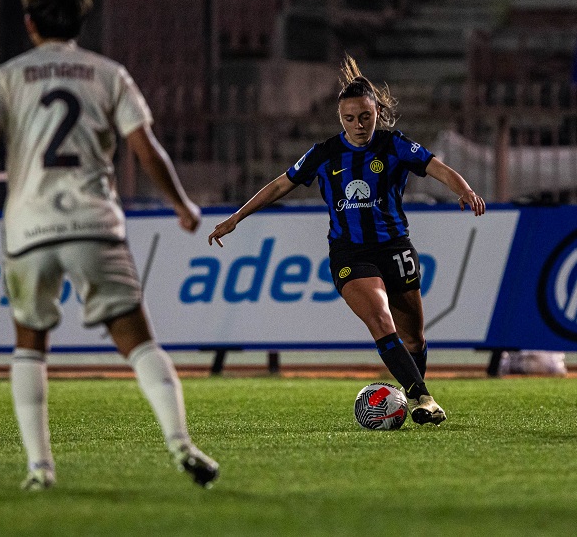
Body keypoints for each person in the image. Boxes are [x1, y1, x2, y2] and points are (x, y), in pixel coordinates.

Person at [0, 0, 219, 490]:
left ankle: (40, 470)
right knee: (139, 343)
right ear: (81, 22)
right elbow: (145, 147)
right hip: (94, 223)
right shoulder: (108, 74)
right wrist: (181, 204)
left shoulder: (8, 75)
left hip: (29, 230)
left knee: (29, 346)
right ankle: (182, 443)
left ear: (29, 23)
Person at [208, 55, 486, 425]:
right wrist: (236, 218)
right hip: (350, 253)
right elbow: (279, 184)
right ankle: (424, 398)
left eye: (365, 117)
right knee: (379, 318)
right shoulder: (325, 153)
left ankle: (409, 394)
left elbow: (436, 167)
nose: (357, 125)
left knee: (415, 338)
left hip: (395, 247)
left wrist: (464, 189)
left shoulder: (393, 145)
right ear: (340, 118)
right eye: (349, 119)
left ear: (377, 113)